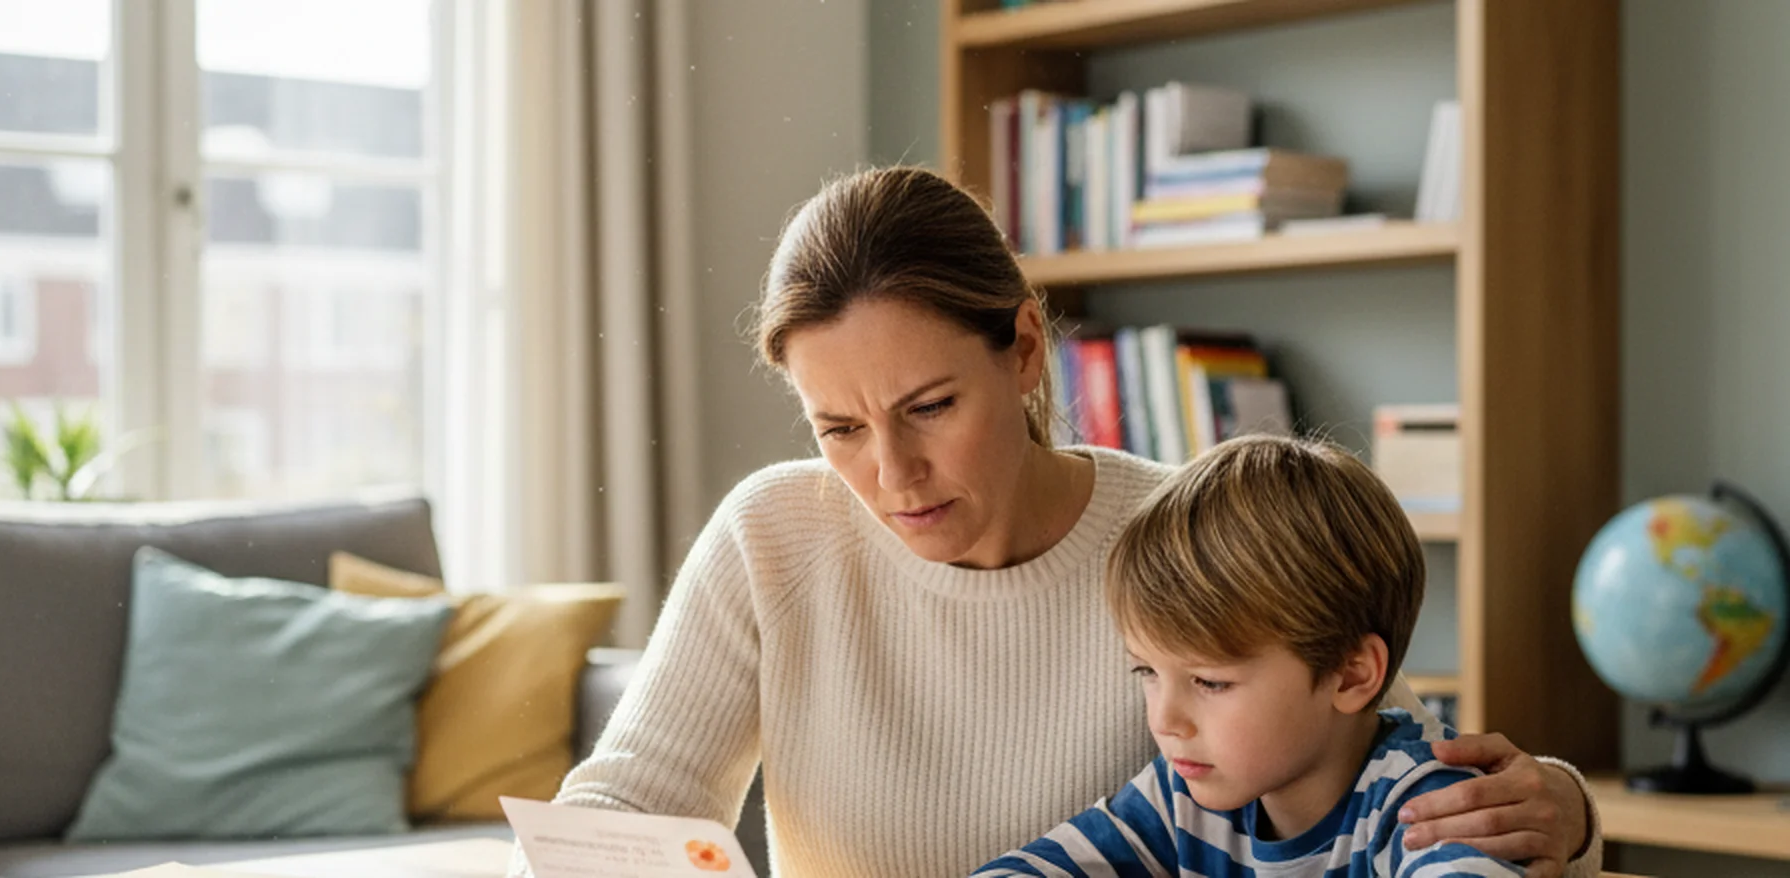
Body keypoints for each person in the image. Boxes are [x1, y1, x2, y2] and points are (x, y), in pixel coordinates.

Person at [524, 167, 1601, 877]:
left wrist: (1561, 808)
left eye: (929, 408)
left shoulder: (1182, 543)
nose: (890, 474)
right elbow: (624, 803)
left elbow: (1364, 741)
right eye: (837, 427)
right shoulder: (771, 534)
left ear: (1025, 349)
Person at [974, 435, 1517, 877]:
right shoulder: (1179, 797)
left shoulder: (1429, 803)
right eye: (1148, 671)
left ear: (1351, 675)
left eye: (1210, 683)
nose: (1165, 721)